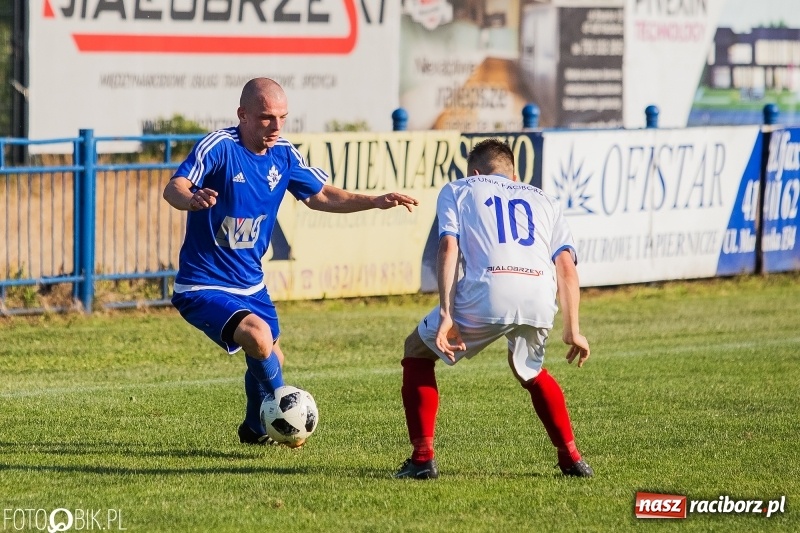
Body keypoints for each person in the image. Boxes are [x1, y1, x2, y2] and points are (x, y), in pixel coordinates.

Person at [163, 77, 419, 447]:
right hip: (203, 284)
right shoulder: (220, 146)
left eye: (282, 117)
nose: (277, 126)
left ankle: (254, 428)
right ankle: (288, 410)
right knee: (258, 337)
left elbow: (320, 196)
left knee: (270, 354)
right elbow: (175, 186)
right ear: (243, 115)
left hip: (251, 284)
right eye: (267, 117)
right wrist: (192, 199)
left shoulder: (284, 153)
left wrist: (374, 200)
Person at [394, 138, 592, 479]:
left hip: (487, 291)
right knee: (530, 371)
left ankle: (423, 459)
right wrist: (573, 328)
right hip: (538, 296)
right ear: (514, 174)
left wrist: (446, 314)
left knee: (416, 352)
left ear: (475, 171)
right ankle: (571, 458)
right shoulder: (545, 199)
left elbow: (448, 246)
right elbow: (567, 268)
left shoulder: (459, 188)